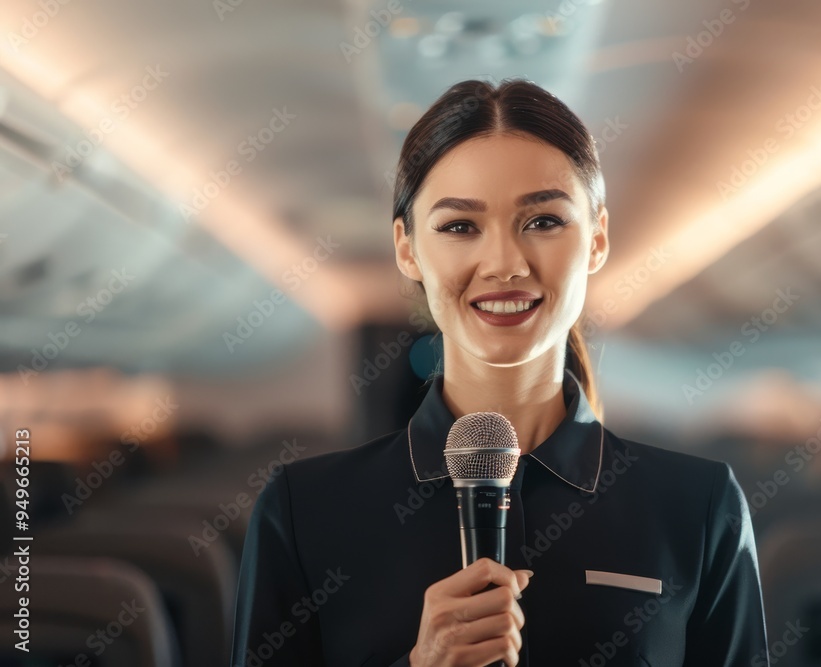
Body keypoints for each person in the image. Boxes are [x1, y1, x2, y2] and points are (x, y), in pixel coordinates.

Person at [231, 77, 769, 667]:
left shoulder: (696, 507)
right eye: (460, 227)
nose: (505, 264)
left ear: (597, 240)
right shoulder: (305, 512)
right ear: (407, 249)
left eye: (543, 222)